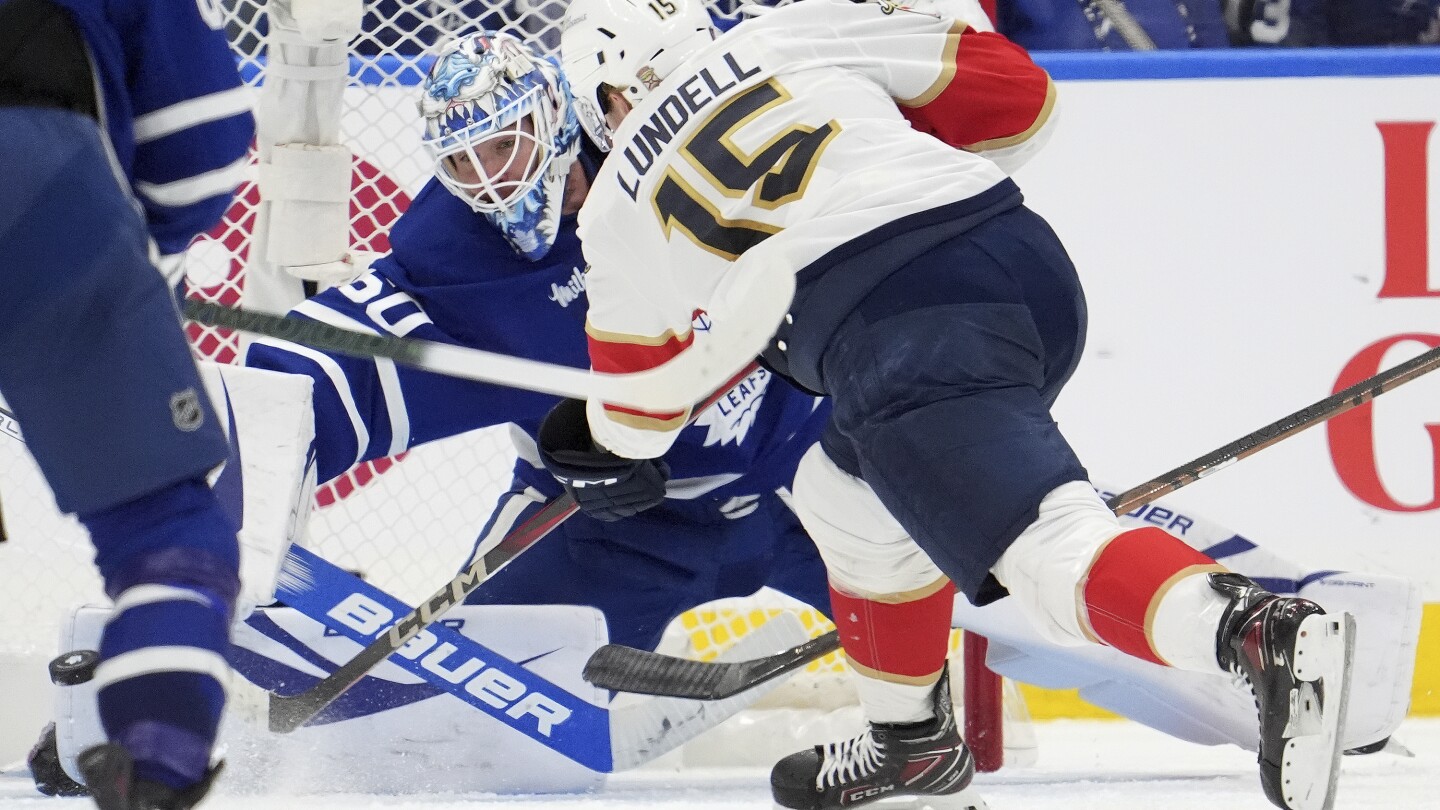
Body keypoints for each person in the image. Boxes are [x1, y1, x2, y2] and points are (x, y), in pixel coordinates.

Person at [554, 2, 1354, 810]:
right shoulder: (785, 32)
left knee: (1045, 548)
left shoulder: (615, 205)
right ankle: (911, 747)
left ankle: (1251, 631)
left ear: (608, 99)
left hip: (899, 331)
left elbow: (640, 418)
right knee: (845, 501)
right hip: (1016, 257)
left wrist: (589, 441)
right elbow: (1023, 104)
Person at [243, 30, 834, 655]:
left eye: (503, 144)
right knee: (465, 690)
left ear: (556, 117)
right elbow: (300, 381)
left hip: (815, 459)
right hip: (609, 526)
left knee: (912, 597)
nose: (489, 179)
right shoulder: (457, 261)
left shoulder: (675, 153)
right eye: (464, 159)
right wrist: (219, 523)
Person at [0, 0, 253, 808]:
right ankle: (157, 767)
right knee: (165, 534)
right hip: (38, 180)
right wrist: (134, 260)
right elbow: (202, 148)